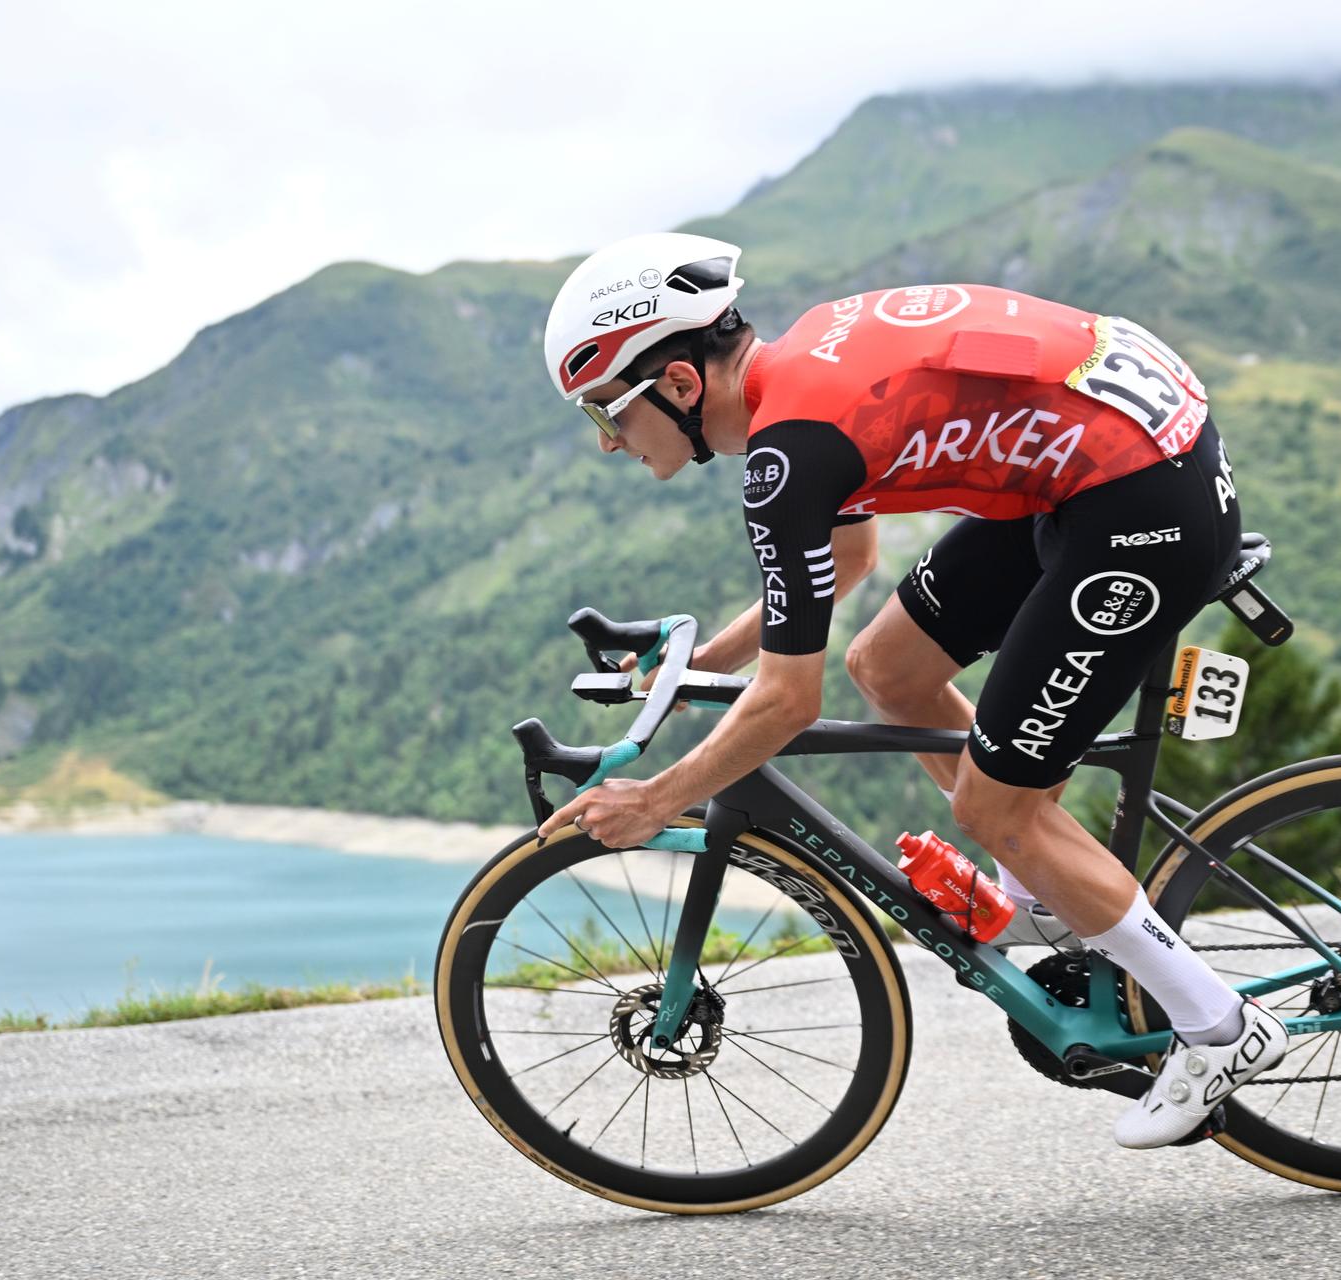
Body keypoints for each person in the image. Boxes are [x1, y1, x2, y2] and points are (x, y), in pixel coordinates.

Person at [534, 231, 1285, 1148]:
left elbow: (787, 704)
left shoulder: (790, 454)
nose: (609, 444)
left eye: (608, 413)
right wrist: (703, 667)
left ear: (682, 386)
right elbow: (846, 561)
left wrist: (655, 800)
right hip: (1098, 469)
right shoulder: (801, 382)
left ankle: (1220, 1029)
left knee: (994, 806)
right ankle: (1044, 889)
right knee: (888, 669)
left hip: (1138, 503)